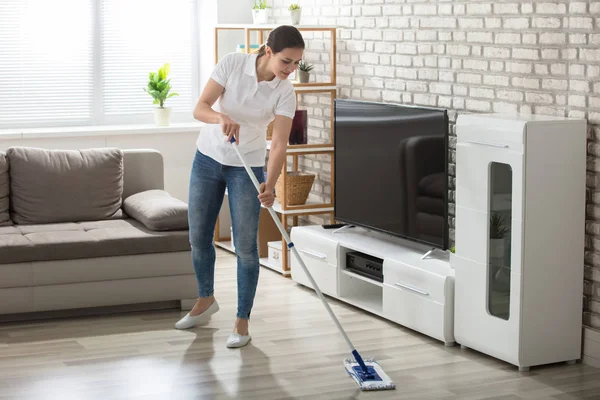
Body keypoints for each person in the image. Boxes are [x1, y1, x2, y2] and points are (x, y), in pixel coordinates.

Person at [175, 25, 305, 349]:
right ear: (268, 51)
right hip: (207, 159)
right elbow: (200, 107)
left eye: (296, 64)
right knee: (198, 237)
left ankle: (242, 322)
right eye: (286, 62)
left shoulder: (285, 91)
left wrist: (270, 184)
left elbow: (278, 144)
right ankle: (206, 299)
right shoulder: (232, 63)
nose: (290, 70)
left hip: (246, 166)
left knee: (246, 247)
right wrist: (220, 117)